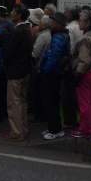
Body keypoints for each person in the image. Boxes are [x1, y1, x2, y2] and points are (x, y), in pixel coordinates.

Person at [2, 3, 33, 141]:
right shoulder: (27, 30)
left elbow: (10, 52)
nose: (11, 13)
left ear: (19, 15)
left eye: (13, 11)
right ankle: (23, 129)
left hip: (15, 70)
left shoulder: (17, 31)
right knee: (22, 101)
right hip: (25, 69)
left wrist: (5, 63)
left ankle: (16, 131)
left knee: (14, 102)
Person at [70, 10, 91, 138]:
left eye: (80, 21)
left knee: (84, 102)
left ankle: (85, 129)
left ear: (88, 23)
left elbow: (85, 60)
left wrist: (78, 73)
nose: (79, 22)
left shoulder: (86, 38)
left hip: (86, 73)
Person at [40, 12, 70, 140]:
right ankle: (53, 127)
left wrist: (45, 70)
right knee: (52, 101)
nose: (51, 23)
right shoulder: (60, 36)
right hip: (55, 73)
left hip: (52, 74)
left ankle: (55, 129)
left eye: (53, 21)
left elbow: (53, 57)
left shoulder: (58, 38)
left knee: (51, 102)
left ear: (59, 23)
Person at [61, 4, 83, 127]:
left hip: (71, 64)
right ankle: (82, 119)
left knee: (68, 94)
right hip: (82, 64)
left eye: (65, 12)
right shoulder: (82, 27)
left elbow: (70, 49)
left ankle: (70, 120)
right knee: (78, 94)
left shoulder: (70, 28)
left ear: (69, 15)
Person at [30, 15, 52, 123]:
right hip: (48, 68)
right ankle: (45, 115)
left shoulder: (42, 36)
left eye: (40, 23)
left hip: (40, 67)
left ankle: (39, 116)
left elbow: (35, 53)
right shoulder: (51, 34)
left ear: (43, 25)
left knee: (38, 94)